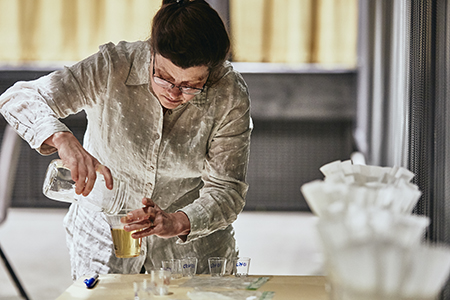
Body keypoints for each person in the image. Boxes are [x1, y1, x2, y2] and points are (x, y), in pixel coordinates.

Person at [0, 0, 252, 280]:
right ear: (151, 51)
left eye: (191, 86)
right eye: (164, 77)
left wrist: (177, 221)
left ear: (211, 73)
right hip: (103, 240)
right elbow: (18, 97)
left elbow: (227, 190)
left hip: (190, 254)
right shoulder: (113, 66)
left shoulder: (229, 93)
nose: (174, 92)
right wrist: (62, 138)